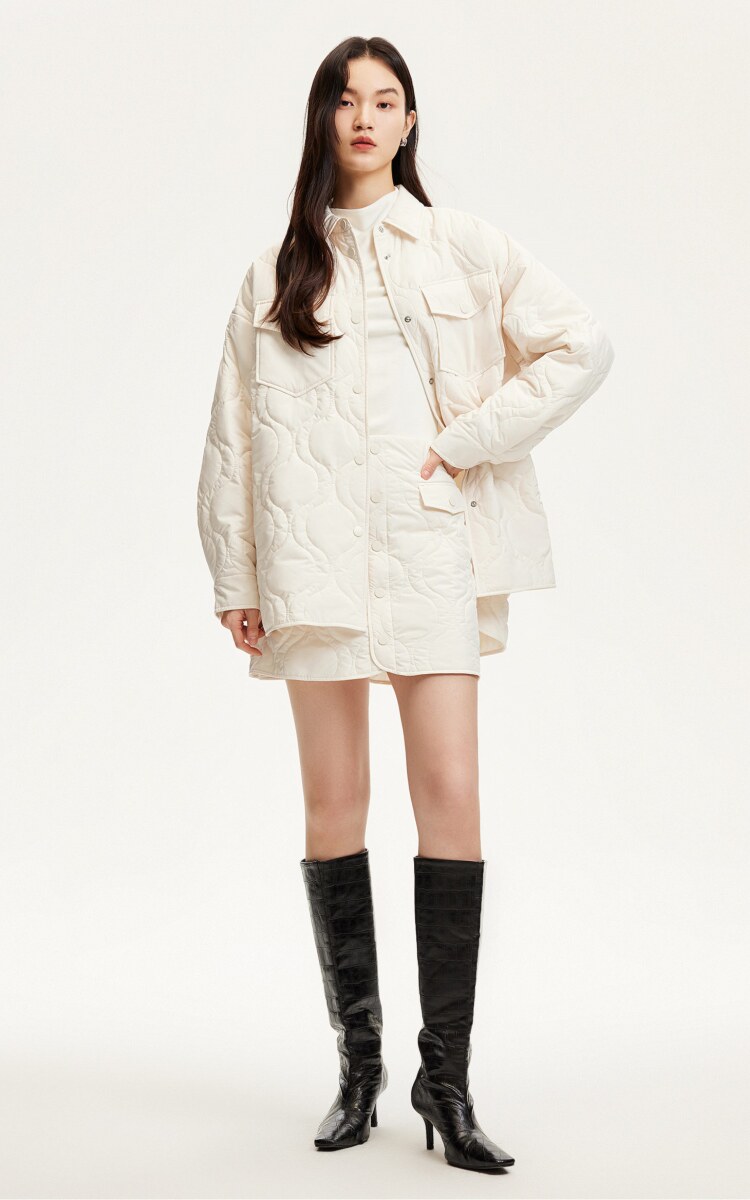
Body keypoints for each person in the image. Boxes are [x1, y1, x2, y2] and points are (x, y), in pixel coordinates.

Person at [196, 36, 614, 1174]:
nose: (365, 117)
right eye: (347, 99)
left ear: (410, 122)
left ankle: (448, 1082)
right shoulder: (277, 274)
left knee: (453, 801)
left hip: (432, 550)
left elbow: (581, 345)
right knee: (335, 807)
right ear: (323, 119)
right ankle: (359, 1068)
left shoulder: (463, 246)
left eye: (386, 100)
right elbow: (233, 437)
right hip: (315, 560)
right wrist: (238, 577)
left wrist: (467, 441)